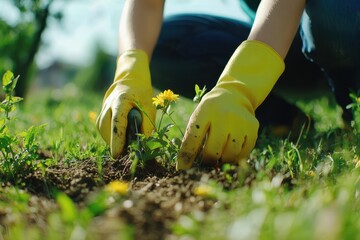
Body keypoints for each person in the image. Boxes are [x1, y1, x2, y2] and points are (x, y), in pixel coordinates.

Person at [96, 0, 360, 170]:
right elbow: (147, 4)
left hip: (341, 34)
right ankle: (283, 119)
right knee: (164, 44)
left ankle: (353, 104)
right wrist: (130, 71)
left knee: (334, 10)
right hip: (283, 46)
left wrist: (240, 87)